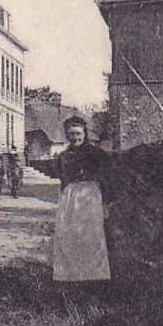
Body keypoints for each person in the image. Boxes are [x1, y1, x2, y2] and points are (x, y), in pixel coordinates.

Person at [31, 114, 112, 283]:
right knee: (69, 235)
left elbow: (106, 177)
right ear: (67, 135)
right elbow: (62, 177)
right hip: (70, 198)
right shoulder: (64, 156)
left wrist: (106, 203)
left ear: (84, 134)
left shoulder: (96, 154)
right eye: (71, 134)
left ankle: (94, 277)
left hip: (90, 197)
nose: (75, 137)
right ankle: (71, 276)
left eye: (78, 134)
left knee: (90, 236)